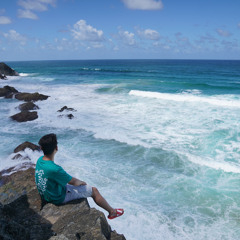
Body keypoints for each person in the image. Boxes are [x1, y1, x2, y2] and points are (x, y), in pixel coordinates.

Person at [35, 133, 124, 220]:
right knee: (94, 191)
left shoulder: (40, 161)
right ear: (56, 148)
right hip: (57, 198)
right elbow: (74, 182)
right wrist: (81, 182)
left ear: (41, 148)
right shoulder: (54, 169)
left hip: (46, 195)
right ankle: (112, 212)